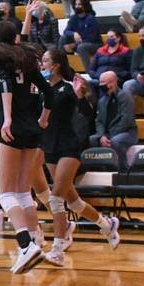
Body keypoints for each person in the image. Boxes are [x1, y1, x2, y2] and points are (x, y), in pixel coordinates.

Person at [0, 17, 53, 273]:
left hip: (11, 127)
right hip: (32, 128)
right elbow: (48, 90)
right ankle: (36, 241)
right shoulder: (26, 56)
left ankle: (25, 245)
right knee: (24, 192)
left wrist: (8, 118)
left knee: (6, 193)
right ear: (15, 37)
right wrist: (44, 117)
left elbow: (3, 83)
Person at [40, 49, 120, 266]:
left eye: (45, 60)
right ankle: (107, 225)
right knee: (73, 202)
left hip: (70, 146)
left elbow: (86, 114)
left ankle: (57, 249)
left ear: (55, 65)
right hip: (50, 147)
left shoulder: (68, 88)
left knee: (55, 199)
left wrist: (81, 95)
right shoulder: (42, 89)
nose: (42, 63)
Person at [90, 70, 137, 170]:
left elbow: (126, 121)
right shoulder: (102, 101)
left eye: (103, 83)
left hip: (127, 133)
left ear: (113, 82)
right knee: (90, 140)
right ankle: (98, 168)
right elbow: (99, 121)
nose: (101, 85)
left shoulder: (125, 97)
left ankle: (123, 170)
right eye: (100, 83)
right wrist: (101, 136)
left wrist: (110, 136)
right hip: (107, 134)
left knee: (115, 141)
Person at [59, 0, 100, 72]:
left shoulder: (91, 19)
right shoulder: (74, 17)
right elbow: (66, 31)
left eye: (80, 4)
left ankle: (89, 71)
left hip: (94, 44)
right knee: (62, 38)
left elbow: (92, 38)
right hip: (79, 44)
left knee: (81, 47)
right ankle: (62, 67)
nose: (77, 6)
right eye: (76, 4)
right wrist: (74, 33)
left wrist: (73, 45)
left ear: (85, 5)